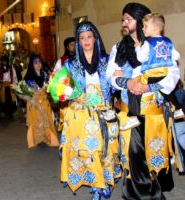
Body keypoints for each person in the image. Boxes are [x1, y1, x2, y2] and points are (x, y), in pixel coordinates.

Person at [106, 3, 180, 199]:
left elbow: (173, 74)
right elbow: (110, 75)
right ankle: (144, 195)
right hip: (129, 110)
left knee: (153, 154)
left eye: (128, 19)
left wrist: (148, 87)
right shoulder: (119, 48)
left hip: (153, 111)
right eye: (123, 19)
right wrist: (128, 82)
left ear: (140, 21)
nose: (124, 23)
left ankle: (156, 187)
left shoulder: (159, 45)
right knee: (134, 155)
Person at [53, 21, 120, 199]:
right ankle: (98, 186)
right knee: (88, 150)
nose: (86, 41)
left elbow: (116, 85)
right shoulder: (70, 65)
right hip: (81, 115)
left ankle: (105, 182)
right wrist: (73, 96)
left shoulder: (107, 62)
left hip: (104, 113)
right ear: (78, 41)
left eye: (89, 37)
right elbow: (57, 87)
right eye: (82, 38)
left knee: (105, 151)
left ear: (95, 39)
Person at [114, 12, 182, 130]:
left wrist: (138, 48)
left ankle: (133, 116)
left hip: (150, 75)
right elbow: (176, 56)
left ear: (154, 28)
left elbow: (140, 58)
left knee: (133, 92)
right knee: (171, 92)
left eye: (145, 26)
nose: (143, 28)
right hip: (163, 73)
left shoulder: (148, 43)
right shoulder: (168, 41)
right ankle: (179, 109)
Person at [23, 54, 59, 148]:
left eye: (39, 62)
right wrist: (32, 97)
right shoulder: (28, 78)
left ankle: (47, 138)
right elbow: (25, 92)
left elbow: (50, 87)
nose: (38, 64)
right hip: (33, 103)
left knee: (46, 119)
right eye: (35, 63)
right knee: (36, 120)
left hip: (44, 102)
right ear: (32, 64)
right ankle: (37, 139)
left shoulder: (45, 75)